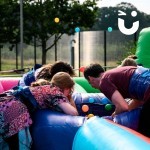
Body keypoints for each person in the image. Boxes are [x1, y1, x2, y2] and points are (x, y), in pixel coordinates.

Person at [0, 72, 78, 149]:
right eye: (69, 91)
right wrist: (70, 98)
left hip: (4, 101)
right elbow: (73, 113)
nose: (68, 94)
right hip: (14, 108)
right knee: (21, 144)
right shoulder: (56, 92)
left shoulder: (45, 88)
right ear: (67, 88)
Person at [83, 63, 150, 137]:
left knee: (144, 130)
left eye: (90, 83)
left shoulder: (104, 81)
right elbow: (137, 101)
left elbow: (123, 106)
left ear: (91, 78)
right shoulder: (116, 73)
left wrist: (113, 117)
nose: (92, 86)